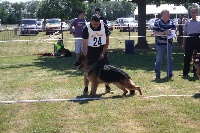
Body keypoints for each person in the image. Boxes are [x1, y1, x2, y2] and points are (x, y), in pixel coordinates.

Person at [81, 14, 114, 95]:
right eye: (94, 24)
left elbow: (107, 41)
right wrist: (85, 54)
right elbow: (84, 44)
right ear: (91, 21)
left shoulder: (104, 26)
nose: (96, 25)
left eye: (97, 24)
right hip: (90, 50)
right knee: (87, 70)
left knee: (106, 69)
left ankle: (107, 86)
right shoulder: (86, 28)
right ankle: (86, 88)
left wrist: (103, 53)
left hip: (101, 48)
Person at [153, 9, 176, 79]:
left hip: (169, 44)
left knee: (169, 59)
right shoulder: (157, 22)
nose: (169, 15)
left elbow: (174, 31)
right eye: (167, 14)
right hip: (160, 44)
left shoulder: (171, 23)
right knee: (159, 59)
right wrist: (164, 33)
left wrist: (171, 32)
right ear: (162, 15)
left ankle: (169, 73)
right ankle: (157, 73)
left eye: (169, 14)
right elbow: (155, 33)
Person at [181, 8, 200, 77]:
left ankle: (196, 72)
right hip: (189, 39)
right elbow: (184, 33)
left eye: (194, 12)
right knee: (187, 56)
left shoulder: (199, 22)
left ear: (197, 13)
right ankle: (185, 72)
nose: (193, 13)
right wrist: (183, 43)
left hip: (198, 39)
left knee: (198, 56)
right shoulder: (187, 22)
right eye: (192, 12)